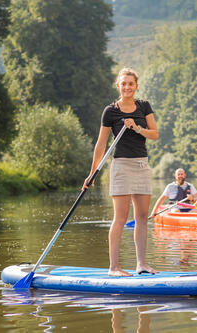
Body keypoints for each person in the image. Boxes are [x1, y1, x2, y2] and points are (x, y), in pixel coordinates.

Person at [82, 68, 158, 277]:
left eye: (131, 84)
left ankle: (141, 264)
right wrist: (92, 173)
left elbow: (155, 134)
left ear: (136, 86)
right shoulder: (110, 111)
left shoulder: (144, 107)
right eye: (123, 84)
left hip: (142, 165)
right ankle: (114, 267)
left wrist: (137, 128)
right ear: (118, 86)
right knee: (120, 218)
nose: (127, 87)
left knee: (142, 217)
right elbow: (101, 144)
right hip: (121, 166)